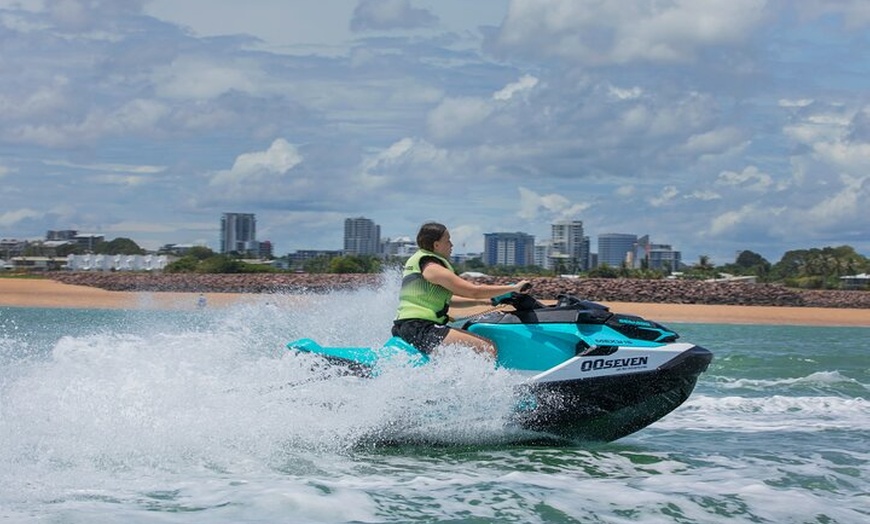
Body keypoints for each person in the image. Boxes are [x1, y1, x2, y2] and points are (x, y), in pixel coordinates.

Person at [392, 222, 530, 358]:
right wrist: (514, 288)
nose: (451, 245)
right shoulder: (432, 268)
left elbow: (449, 300)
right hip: (420, 327)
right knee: (487, 348)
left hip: (409, 326)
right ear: (436, 245)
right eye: (448, 241)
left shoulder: (422, 264)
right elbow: (474, 291)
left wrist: (487, 302)